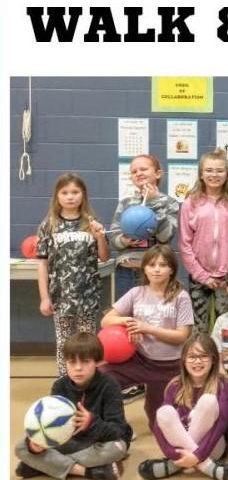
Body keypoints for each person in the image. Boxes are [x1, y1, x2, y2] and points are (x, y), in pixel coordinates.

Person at [15, 332, 131, 480]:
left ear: (98, 362)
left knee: (116, 448)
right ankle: (88, 472)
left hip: (99, 443)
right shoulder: (60, 386)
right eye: (71, 362)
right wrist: (38, 443)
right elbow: (53, 430)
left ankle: (43, 465)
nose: (77, 368)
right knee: (22, 447)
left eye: (85, 362)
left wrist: (92, 422)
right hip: (70, 442)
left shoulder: (110, 385)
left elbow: (119, 432)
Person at [100, 245, 193, 430]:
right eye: (152, 265)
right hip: (140, 360)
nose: (157, 269)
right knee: (102, 377)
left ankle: (154, 405)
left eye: (163, 265)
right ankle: (117, 425)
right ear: (144, 268)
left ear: (171, 269)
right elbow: (106, 321)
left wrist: (146, 328)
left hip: (170, 366)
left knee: (158, 425)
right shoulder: (136, 293)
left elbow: (182, 336)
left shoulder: (181, 296)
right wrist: (129, 322)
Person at [36, 173, 109, 378]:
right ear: (57, 196)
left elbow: (104, 258)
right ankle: (64, 382)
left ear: (83, 195)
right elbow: (42, 264)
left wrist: (100, 236)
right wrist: (44, 297)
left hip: (87, 296)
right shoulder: (48, 225)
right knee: (64, 343)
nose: (70, 197)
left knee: (88, 342)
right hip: (61, 297)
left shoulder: (91, 223)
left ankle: (88, 381)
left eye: (75, 192)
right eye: (65, 192)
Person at [137, 334, 228, 480]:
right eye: (192, 356)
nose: (197, 361)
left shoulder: (222, 383)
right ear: (183, 359)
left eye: (203, 356)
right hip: (180, 449)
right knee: (163, 412)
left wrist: (197, 456)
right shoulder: (174, 385)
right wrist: (174, 455)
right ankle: (208, 468)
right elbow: (158, 426)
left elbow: (221, 422)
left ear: (213, 359)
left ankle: (172, 467)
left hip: (213, 447)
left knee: (208, 401)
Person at [179, 148, 228, 334]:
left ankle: (225, 362)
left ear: (227, 174)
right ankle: (200, 361)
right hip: (199, 276)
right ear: (201, 174)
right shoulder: (191, 202)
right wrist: (203, 276)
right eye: (209, 170)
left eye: (219, 170)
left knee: (226, 327)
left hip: (226, 277)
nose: (214, 175)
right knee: (199, 328)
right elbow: (185, 244)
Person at [109, 154, 180, 300]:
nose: (138, 173)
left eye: (143, 169)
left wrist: (154, 202)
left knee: (155, 315)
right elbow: (114, 239)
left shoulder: (169, 203)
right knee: (127, 316)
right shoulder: (125, 203)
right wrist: (124, 241)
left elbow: (165, 236)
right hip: (127, 271)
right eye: (134, 172)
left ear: (158, 173)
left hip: (156, 271)